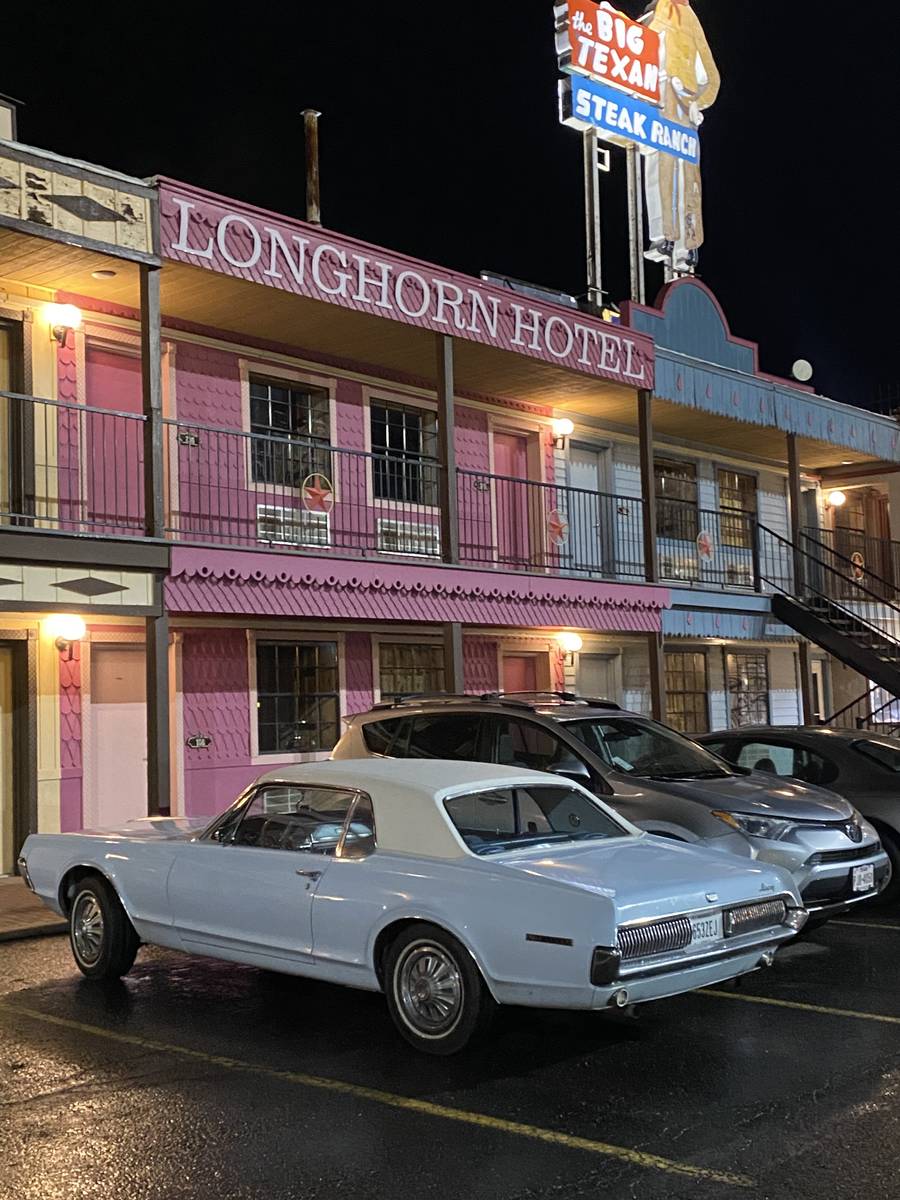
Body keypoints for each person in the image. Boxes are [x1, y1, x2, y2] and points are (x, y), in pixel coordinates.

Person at [641, 0, 720, 272]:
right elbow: (639, 45)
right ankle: (665, 235)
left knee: (689, 176)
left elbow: (711, 76)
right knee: (661, 164)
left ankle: (689, 244)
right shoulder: (658, 11)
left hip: (685, 104)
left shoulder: (689, 18)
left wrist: (699, 100)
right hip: (661, 99)